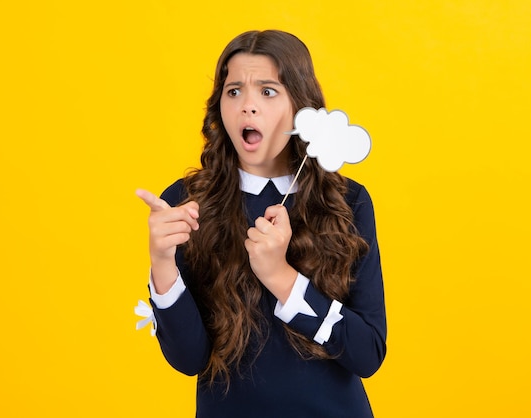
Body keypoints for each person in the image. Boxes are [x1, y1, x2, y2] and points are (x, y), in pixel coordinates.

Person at [136, 29, 387, 418]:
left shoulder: (349, 202)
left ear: (299, 108)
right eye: (234, 91)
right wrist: (162, 263)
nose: (247, 106)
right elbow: (189, 360)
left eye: (267, 91)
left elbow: (368, 353)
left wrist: (281, 277)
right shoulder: (184, 204)